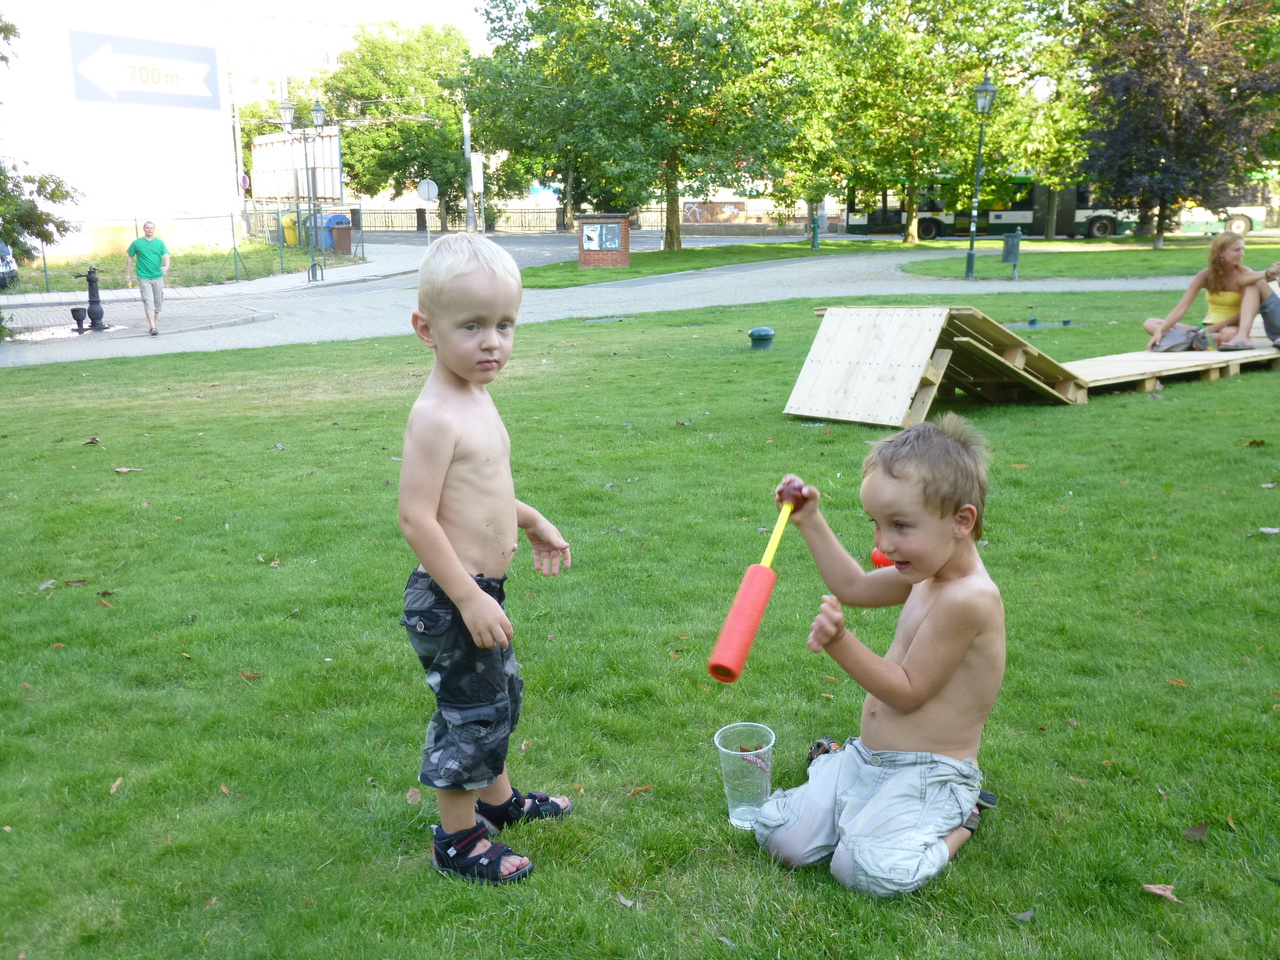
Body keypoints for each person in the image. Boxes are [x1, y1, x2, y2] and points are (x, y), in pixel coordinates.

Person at [754, 414, 1006, 898]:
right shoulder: (926, 571)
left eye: (900, 526)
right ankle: (841, 767)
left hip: (929, 774)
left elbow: (908, 692)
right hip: (869, 758)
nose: (883, 543)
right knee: (779, 837)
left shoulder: (968, 598)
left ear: (962, 521)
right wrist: (810, 519)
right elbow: (853, 587)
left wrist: (840, 643)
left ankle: (964, 818)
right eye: (876, 523)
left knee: (862, 872)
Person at [397, 232, 573, 885]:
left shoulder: (476, 396)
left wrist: (531, 520)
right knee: (469, 716)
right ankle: (458, 839)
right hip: (451, 597)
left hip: (479, 592)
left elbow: (483, 489)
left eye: (504, 324)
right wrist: (468, 597)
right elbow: (416, 517)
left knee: (498, 697)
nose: (492, 342)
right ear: (427, 329)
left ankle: (498, 804)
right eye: (471, 326)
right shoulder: (435, 415)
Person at [1143, 231, 1280, 351]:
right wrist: (1160, 330)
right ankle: (1198, 339)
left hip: (1228, 327)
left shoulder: (1247, 276)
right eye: (1236, 250)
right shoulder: (1205, 276)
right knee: (1151, 323)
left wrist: (1214, 328)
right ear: (1221, 252)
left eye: (1242, 249)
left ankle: (1193, 340)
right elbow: (1181, 308)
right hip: (1206, 327)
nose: (1242, 254)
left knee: (1228, 334)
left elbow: (1247, 312)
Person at [124, 221, 170, 336]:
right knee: (148, 300)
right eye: (147, 228)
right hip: (143, 276)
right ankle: (153, 327)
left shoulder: (159, 242)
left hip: (158, 276)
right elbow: (130, 258)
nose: (150, 230)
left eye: (151, 228)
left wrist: (166, 267)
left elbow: (166, 255)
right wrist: (128, 274)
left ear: (154, 229)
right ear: (144, 229)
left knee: (157, 302)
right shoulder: (137, 243)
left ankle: (153, 324)